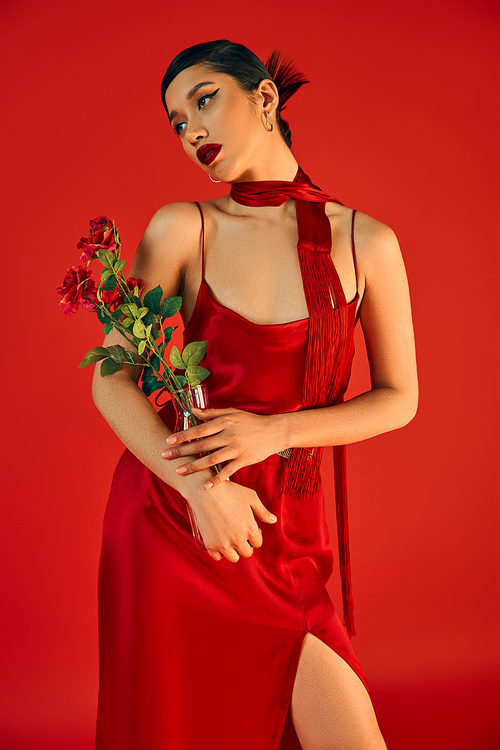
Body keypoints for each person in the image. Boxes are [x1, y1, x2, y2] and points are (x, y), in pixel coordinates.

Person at [93, 39, 418, 750]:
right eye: (177, 124)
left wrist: (277, 433)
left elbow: (400, 399)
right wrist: (202, 492)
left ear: (264, 98)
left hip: (290, 535)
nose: (192, 132)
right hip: (177, 518)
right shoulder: (187, 227)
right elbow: (110, 376)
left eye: (204, 100)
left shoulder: (368, 241)